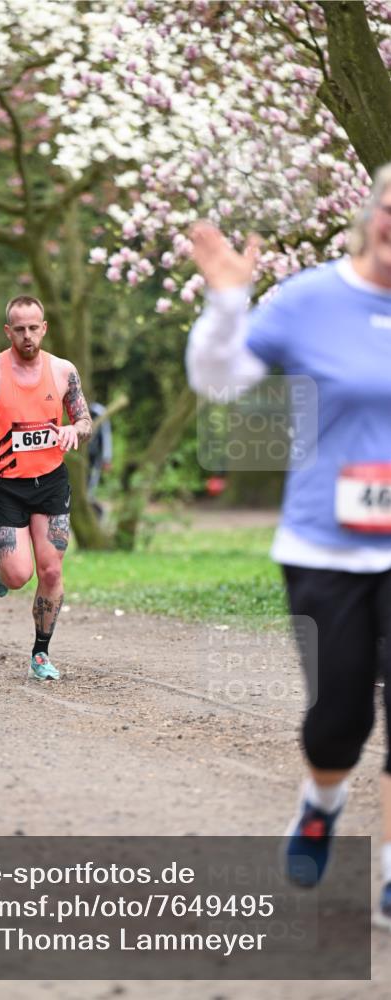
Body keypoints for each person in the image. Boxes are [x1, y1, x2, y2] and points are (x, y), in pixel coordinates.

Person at [186, 163, 391, 927]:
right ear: (370, 213)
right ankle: (320, 802)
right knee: (338, 718)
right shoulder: (309, 299)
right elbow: (219, 381)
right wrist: (225, 303)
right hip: (323, 545)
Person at [0, 295, 92, 682]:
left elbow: (84, 421)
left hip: (51, 483)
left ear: (44, 328)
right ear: (8, 331)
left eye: (34, 328)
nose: (28, 335)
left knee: (50, 571)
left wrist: (74, 429)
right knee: (18, 575)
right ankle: (1, 570)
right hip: (6, 486)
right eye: (19, 329)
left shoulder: (64, 371)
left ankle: (40, 653)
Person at [87, 401, 113, 519]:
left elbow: (106, 436)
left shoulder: (98, 412)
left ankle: (95, 513)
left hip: (94, 456)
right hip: (81, 456)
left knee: (91, 484)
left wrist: (106, 458)